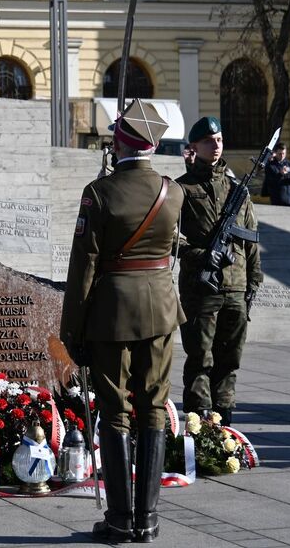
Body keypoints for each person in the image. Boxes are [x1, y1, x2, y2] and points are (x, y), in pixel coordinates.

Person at [60, 99, 185, 544]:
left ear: (121, 141)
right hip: (161, 307)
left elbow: (84, 269)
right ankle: (147, 521)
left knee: (116, 411)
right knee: (154, 406)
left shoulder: (99, 193)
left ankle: (118, 521)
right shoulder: (174, 192)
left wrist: (71, 329)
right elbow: (169, 254)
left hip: (113, 311)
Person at [176, 116, 263, 428]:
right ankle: (199, 426)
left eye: (220, 140)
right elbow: (170, 237)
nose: (216, 146)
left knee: (230, 361)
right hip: (202, 289)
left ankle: (225, 427)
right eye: (209, 141)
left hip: (236, 288)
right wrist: (202, 254)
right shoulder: (181, 189)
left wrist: (253, 281)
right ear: (195, 146)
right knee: (200, 359)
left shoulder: (237, 189)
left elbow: (251, 237)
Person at [261, 142, 290, 206]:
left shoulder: (289, 164)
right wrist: (280, 174)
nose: (282, 156)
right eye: (280, 154)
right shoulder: (270, 165)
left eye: (283, 153)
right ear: (275, 153)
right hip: (278, 200)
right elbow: (270, 182)